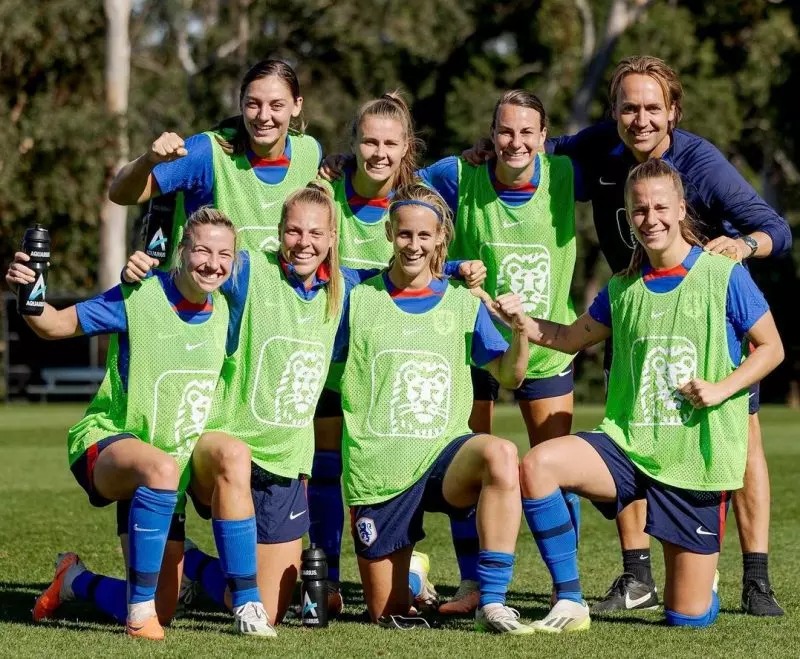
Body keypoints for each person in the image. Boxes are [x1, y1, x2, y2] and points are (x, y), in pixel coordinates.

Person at [125, 183, 485, 628]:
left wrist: (452, 269)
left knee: (272, 609)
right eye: (294, 231)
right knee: (210, 586)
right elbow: (201, 266)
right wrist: (147, 265)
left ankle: (195, 569)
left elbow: (402, 269)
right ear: (280, 233)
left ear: (333, 238)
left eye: (316, 234)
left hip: (284, 461)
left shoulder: (349, 286)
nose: (304, 243)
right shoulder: (250, 270)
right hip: (221, 450)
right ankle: (231, 588)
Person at [545, 55, 792, 616]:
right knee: (627, 429)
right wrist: (488, 154)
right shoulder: (600, 145)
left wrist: (744, 245)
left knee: (744, 445)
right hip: (634, 314)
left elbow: (776, 228)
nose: (640, 119)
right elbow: (541, 146)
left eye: (653, 107)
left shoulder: (700, 163)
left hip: (711, 325)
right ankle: (636, 577)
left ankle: (756, 577)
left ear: (673, 111)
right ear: (613, 113)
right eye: (628, 107)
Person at [498, 158, 784, 632]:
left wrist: (722, 388)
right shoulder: (622, 288)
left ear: (680, 209)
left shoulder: (725, 275)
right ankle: (570, 600)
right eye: (639, 210)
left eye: (659, 208)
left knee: (686, 617)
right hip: (627, 446)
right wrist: (522, 324)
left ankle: (700, 587)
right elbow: (570, 338)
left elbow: (771, 347)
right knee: (537, 465)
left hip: (693, 460)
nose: (650, 218)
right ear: (628, 216)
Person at [8, 209, 242, 641]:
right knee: (161, 471)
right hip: (109, 441)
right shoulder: (140, 296)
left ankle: (75, 580)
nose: (213, 262)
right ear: (181, 251)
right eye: (202, 250)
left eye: (224, 253)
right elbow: (54, 326)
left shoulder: (226, 311)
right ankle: (138, 617)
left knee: (165, 609)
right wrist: (29, 293)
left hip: (166, 471)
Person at [310, 91, 486, 615]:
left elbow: (429, 254)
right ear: (353, 144)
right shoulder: (328, 190)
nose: (378, 153)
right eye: (368, 141)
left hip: (410, 358)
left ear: (407, 146)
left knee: (455, 456)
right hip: (337, 352)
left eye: (390, 143)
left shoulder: (422, 192)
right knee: (325, 467)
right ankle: (329, 581)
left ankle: (473, 582)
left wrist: (459, 271)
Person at [336, 182, 535, 634]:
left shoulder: (464, 303)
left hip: (445, 457)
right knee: (388, 613)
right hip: (380, 467)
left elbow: (510, 376)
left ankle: (493, 600)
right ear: (389, 233)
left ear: (441, 237)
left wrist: (521, 329)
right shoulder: (359, 298)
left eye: (424, 236)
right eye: (405, 234)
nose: (414, 245)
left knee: (501, 453)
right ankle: (411, 577)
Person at [416, 89, 580, 614]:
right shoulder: (459, 174)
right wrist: (455, 262)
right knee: (475, 463)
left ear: (543, 137)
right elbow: (403, 192)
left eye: (526, 132)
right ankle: (472, 583)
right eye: (505, 131)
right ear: (490, 135)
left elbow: (629, 152)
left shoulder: (565, 173)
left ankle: (566, 592)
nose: (514, 141)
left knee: (556, 469)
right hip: (478, 345)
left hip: (547, 346)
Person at [109, 59, 322, 260]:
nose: (263, 116)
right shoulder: (206, 151)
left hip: (275, 297)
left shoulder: (310, 152)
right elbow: (120, 194)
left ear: (296, 105)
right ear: (241, 103)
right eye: (253, 104)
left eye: (276, 105)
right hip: (205, 296)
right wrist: (149, 160)